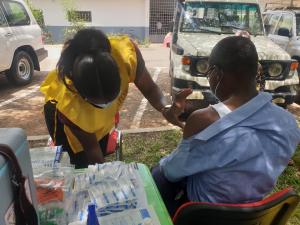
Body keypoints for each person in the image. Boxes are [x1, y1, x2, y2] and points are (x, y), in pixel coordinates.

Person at [152, 36, 300, 216]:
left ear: (217, 74)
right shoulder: (288, 124)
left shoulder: (203, 119)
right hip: (251, 214)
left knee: (158, 174)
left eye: (209, 73)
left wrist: (183, 124)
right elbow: (229, 144)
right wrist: (184, 124)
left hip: (202, 215)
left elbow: (172, 171)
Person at [40, 28, 192, 169]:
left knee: (101, 144)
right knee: (79, 165)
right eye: (97, 103)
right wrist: (104, 177)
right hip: (64, 119)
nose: (106, 106)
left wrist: (166, 109)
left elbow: (150, 89)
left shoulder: (125, 55)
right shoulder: (69, 104)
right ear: (81, 93)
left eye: (111, 98)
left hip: (85, 109)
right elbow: (92, 150)